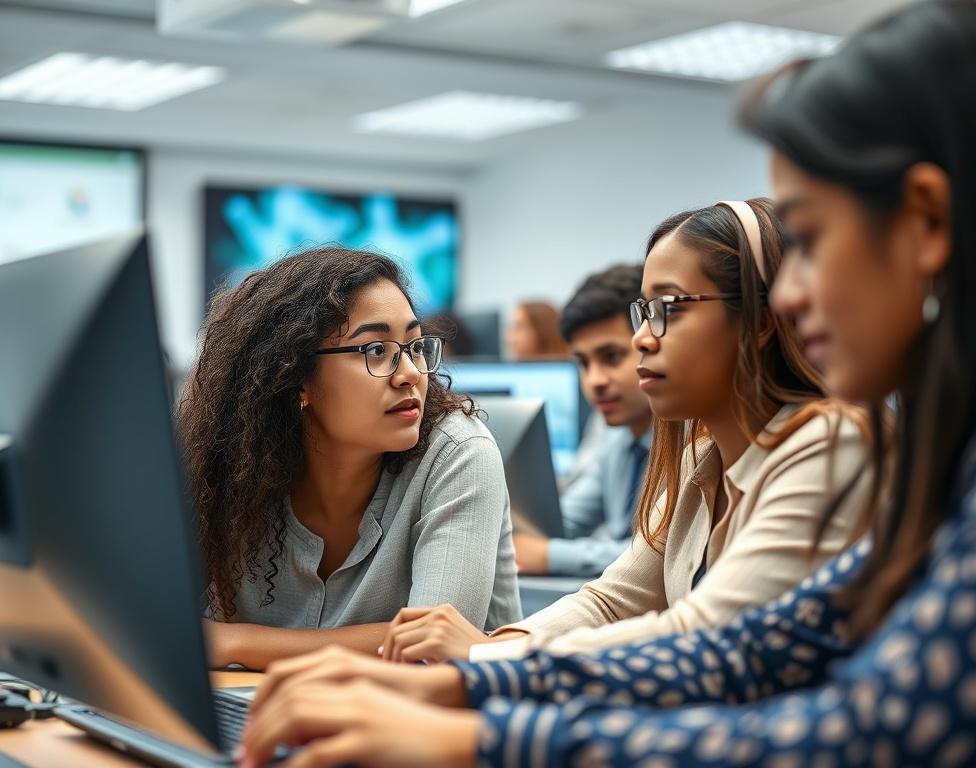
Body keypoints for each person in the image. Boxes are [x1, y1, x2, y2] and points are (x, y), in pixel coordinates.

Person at [237, 2, 976, 765]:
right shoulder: (915, 467)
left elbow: (849, 730)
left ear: (925, 220)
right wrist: (471, 683)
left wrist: (475, 726)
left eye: (812, 241)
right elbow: (742, 650)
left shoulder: (842, 445)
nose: (787, 296)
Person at [374, 198, 873, 666]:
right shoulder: (702, 457)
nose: (642, 339)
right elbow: (612, 601)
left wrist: (487, 657)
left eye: (668, 309)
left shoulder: (832, 447)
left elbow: (706, 632)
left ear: (760, 319)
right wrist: (498, 645)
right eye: (644, 313)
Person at [176, 246, 521, 670]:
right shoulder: (229, 468)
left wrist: (236, 642)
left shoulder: (458, 452)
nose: (411, 373)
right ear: (295, 377)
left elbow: (432, 648)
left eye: (415, 346)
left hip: (422, 709)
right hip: (263, 705)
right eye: (375, 350)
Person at [511, 265, 653, 577]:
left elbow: (660, 553)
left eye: (611, 357)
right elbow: (567, 520)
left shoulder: (694, 440)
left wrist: (548, 556)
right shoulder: (616, 435)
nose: (594, 380)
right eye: (584, 363)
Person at [504, 300, 569, 359]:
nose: (509, 337)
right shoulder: (515, 367)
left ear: (541, 330)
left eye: (519, 327)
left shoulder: (567, 366)